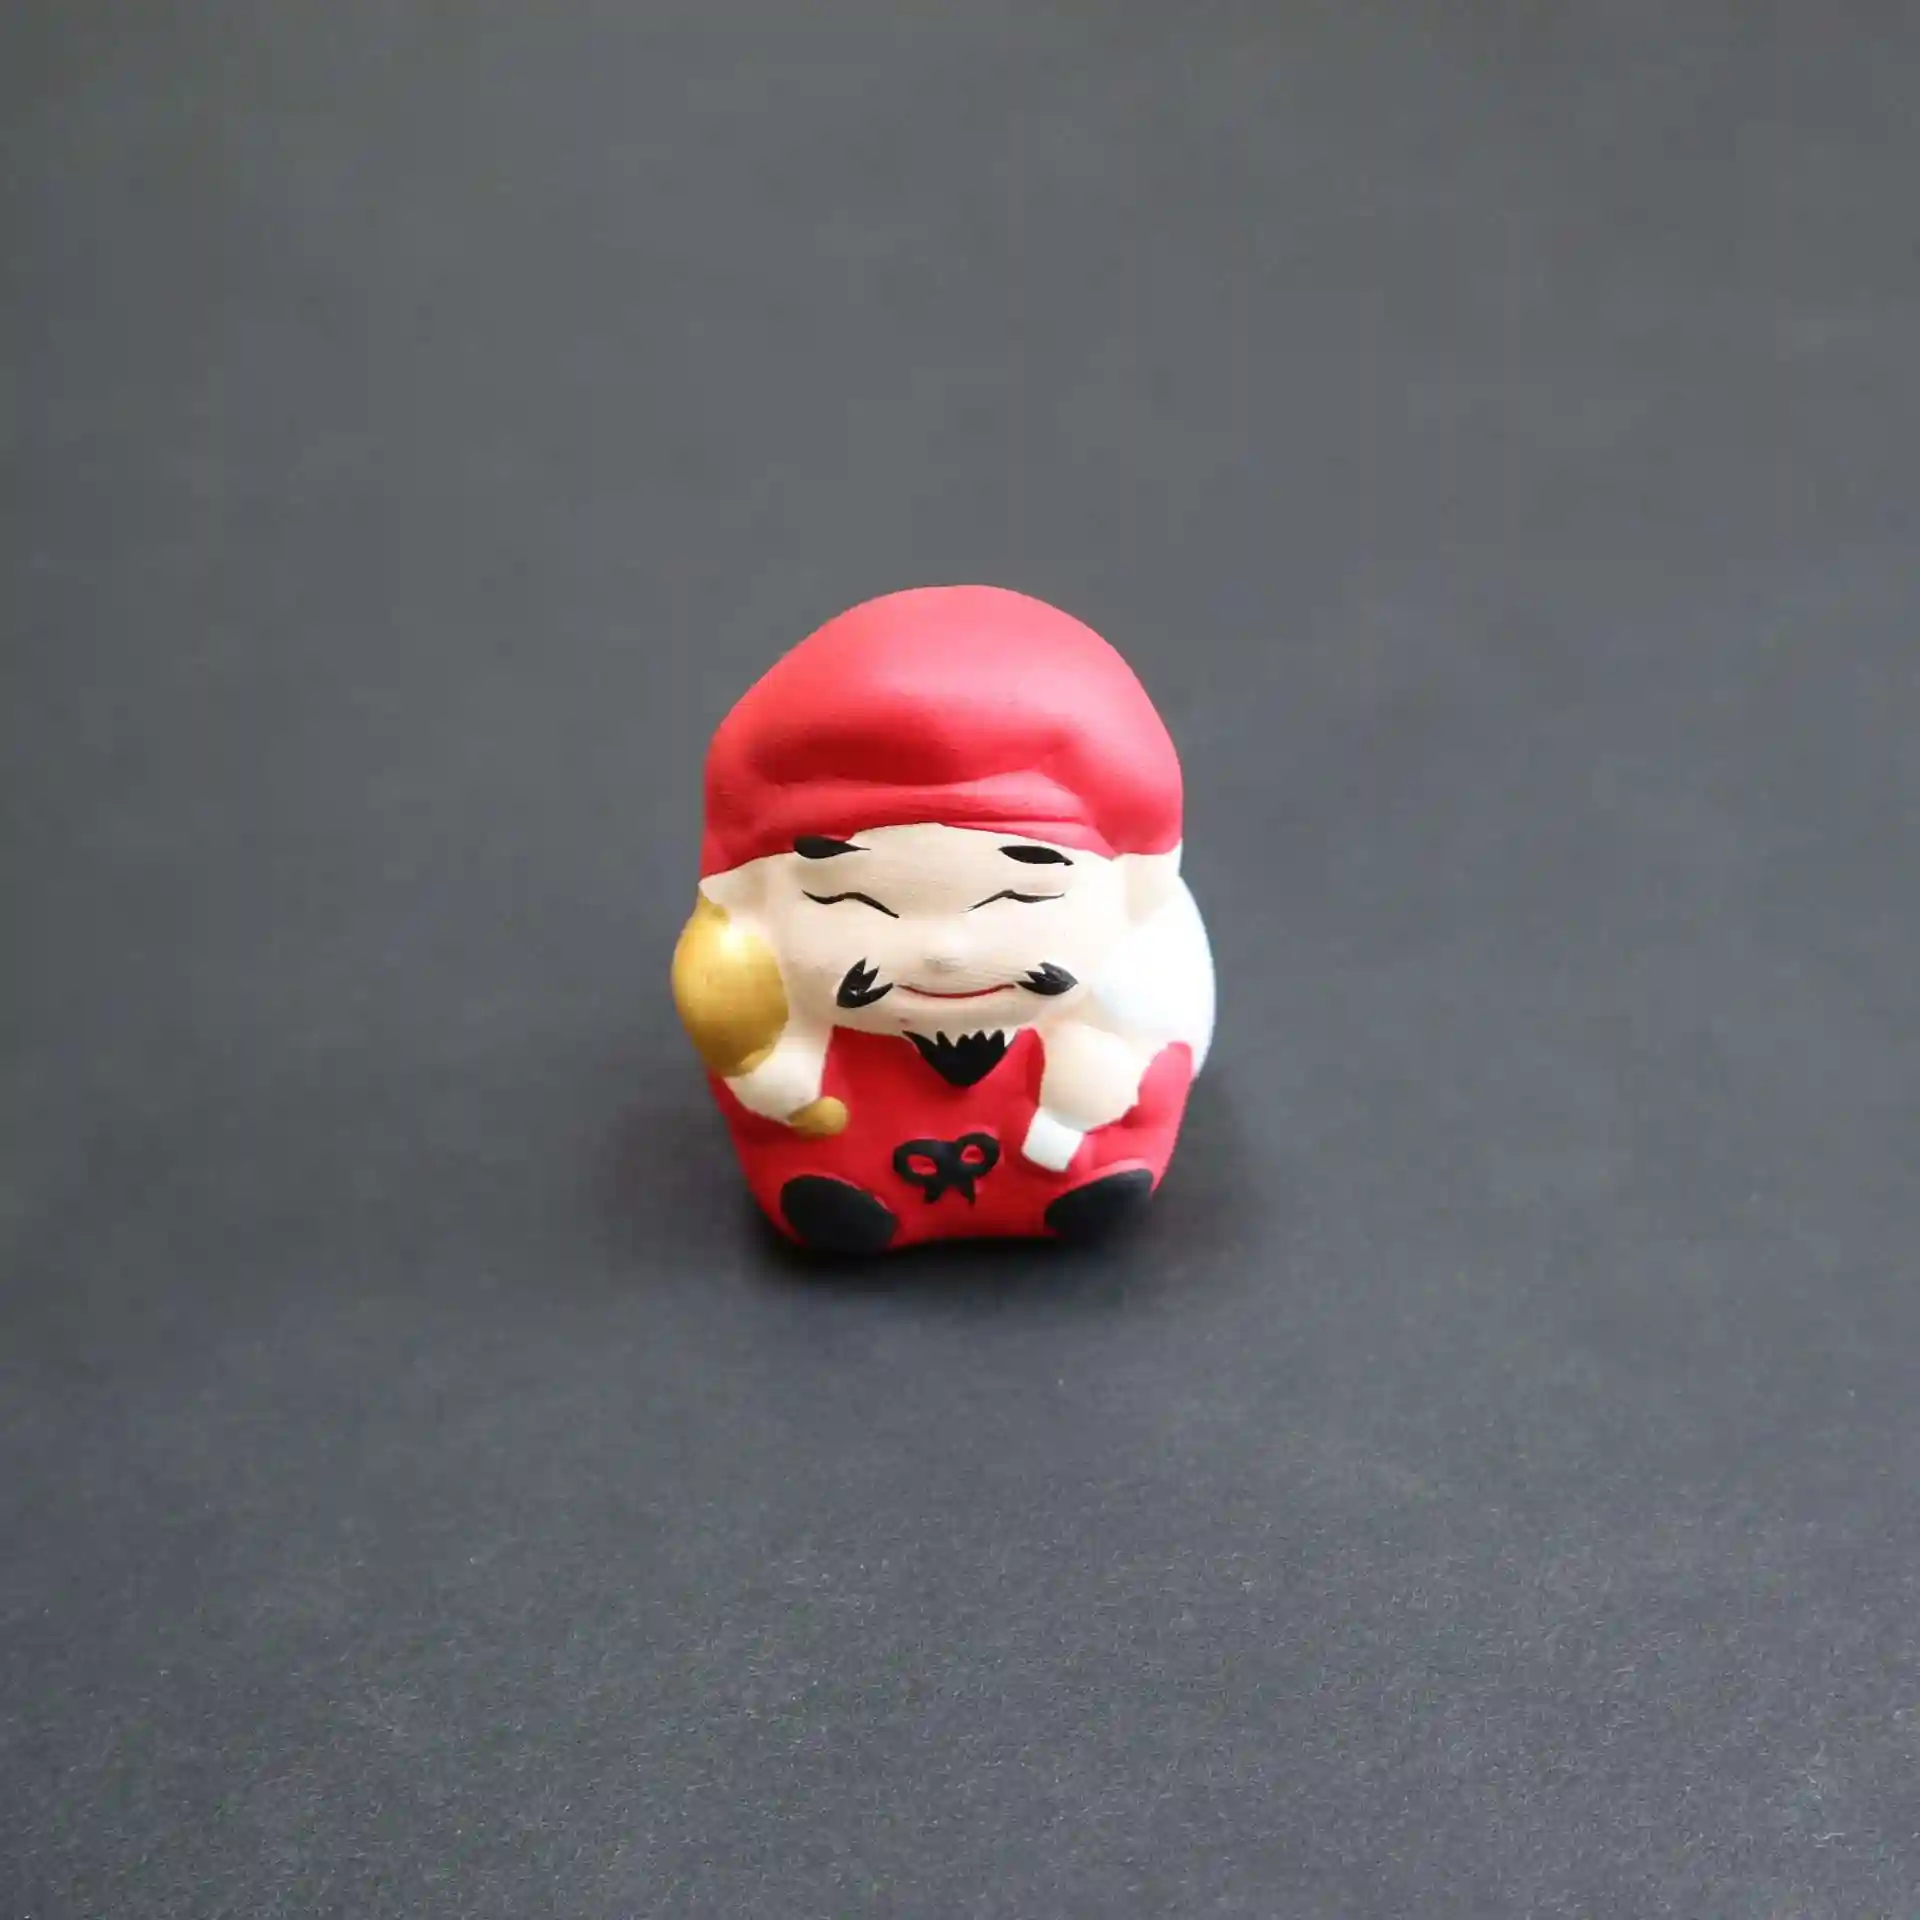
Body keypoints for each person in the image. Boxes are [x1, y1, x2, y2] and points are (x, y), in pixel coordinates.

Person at [673, 585, 1214, 1253]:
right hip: (862, 1120)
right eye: (860, 902)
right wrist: (777, 1080)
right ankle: (834, 1190)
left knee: (1108, 1101)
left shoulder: (1132, 978)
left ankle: (1086, 1181)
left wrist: (1106, 1079)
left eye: (1020, 898)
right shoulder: (771, 980)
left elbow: (1159, 1061)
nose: (946, 950)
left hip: (1050, 1129)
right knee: (808, 1143)